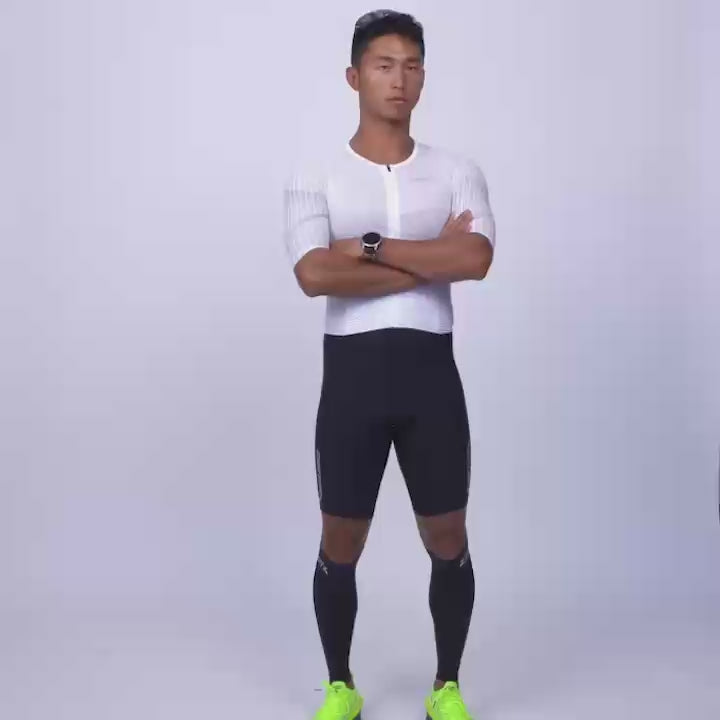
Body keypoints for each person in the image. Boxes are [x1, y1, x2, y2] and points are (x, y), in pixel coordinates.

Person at [282, 9, 496, 720]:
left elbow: (475, 259)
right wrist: (427, 258)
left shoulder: (457, 171)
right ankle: (340, 685)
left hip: (431, 377)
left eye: (412, 66)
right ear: (354, 76)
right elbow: (314, 274)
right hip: (353, 380)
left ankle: (447, 686)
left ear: (424, 78)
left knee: (449, 536)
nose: (399, 79)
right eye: (383, 65)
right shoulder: (317, 172)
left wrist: (368, 247)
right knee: (341, 540)